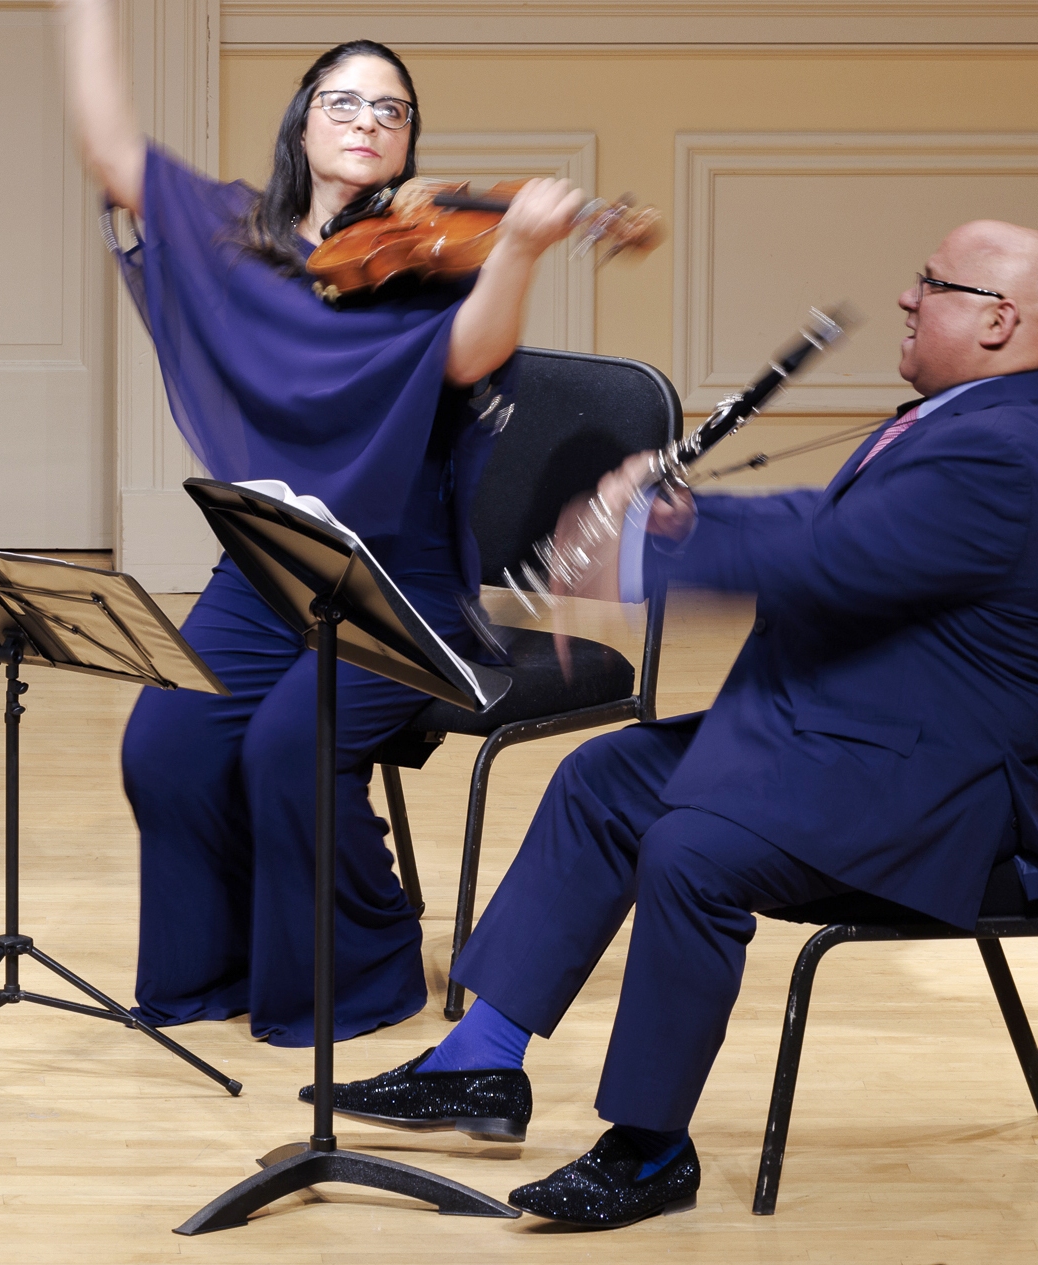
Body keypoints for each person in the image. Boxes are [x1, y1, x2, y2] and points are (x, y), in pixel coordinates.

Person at [311, 221, 1038, 1227]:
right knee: (604, 780)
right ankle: (481, 1063)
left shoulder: (1007, 447)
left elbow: (836, 558)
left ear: (999, 318)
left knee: (691, 852)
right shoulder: (961, 417)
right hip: (846, 737)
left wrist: (651, 549)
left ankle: (649, 1150)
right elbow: (825, 531)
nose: (908, 298)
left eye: (930, 282)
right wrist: (676, 521)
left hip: (935, 785)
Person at [43, 0, 580, 1045]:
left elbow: (476, 353)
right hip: (274, 570)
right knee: (169, 741)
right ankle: (213, 969)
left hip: (402, 587)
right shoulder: (241, 237)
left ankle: (363, 966)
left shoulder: (435, 261)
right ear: (302, 124)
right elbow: (112, 153)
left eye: (392, 110)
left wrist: (523, 247)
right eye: (345, 100)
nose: (369, 121)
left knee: (291, 745)